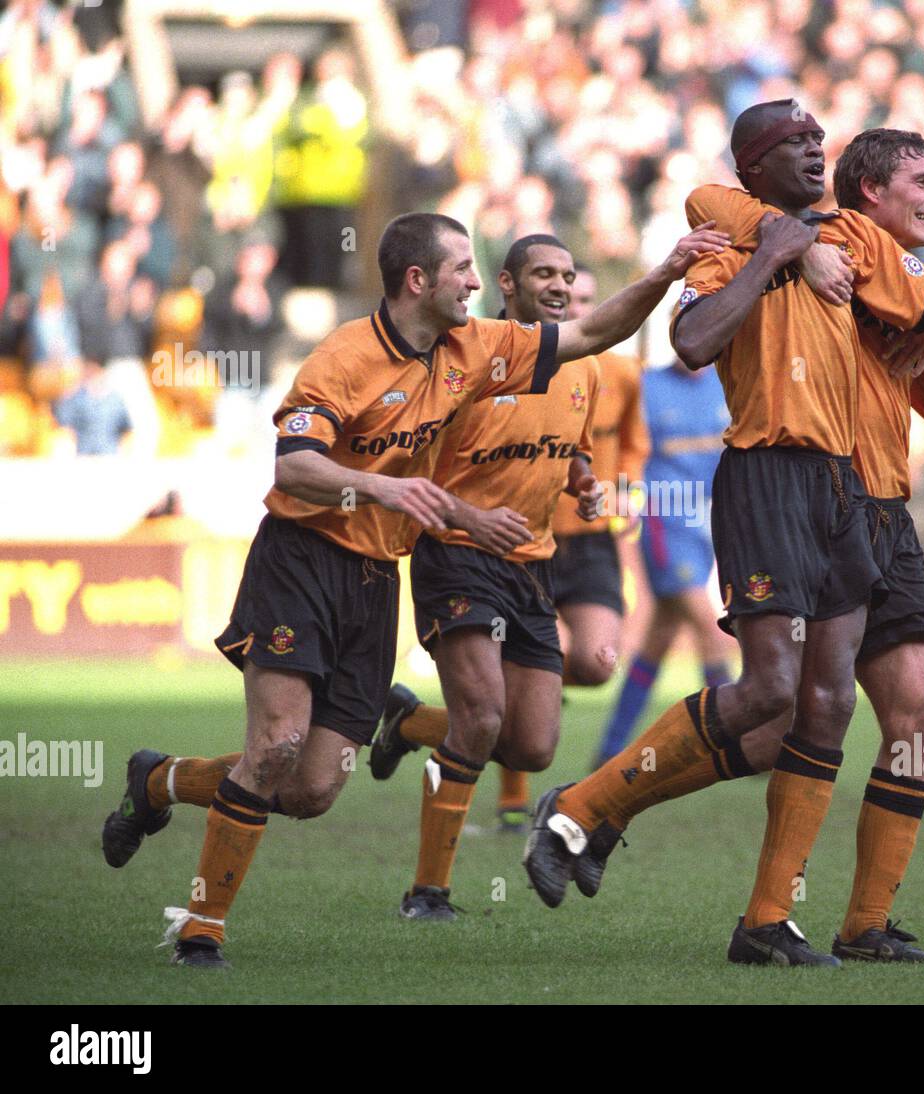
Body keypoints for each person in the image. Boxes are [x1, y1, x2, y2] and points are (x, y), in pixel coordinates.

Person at [98, 211, 727, 968]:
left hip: (376, 579)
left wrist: (664, 272)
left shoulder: (475, 348)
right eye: (463, 267)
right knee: (278, 744)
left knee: (311, 788)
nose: (474, 280)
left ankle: (160, 780)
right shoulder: (344, 357)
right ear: (418, 281)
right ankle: (201, 932)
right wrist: (386, 491)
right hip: (302, 558)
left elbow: (591, 338)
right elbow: (294, 466)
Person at [525, 101, 924, 968]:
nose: (812, 153)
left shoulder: (847, 242)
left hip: (843, 484)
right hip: (767, 479)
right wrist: (772, 254)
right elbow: (688, 341)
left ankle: (767, 923)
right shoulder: (731, 245)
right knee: (766, 694)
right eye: (794, 144)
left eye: (817, 142)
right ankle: (581, 805)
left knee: (824, 704)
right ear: (753, 166)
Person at [673, 128, 924, 962]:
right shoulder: (835, 250)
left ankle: (865, 924)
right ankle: (752, 907)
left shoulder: (900, 283)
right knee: (803, 708)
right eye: (921, 180)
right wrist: (811, 246)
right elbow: (714, 197)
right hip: (817, 503)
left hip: (890, 520)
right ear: (870, 196)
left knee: (915, 714)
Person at [363, 233, 603, 921]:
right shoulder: (466, 358)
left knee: (531, 743)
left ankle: (411, 724)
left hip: (531, 565)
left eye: (567, 274)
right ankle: (428, 891)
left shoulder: (582, 367)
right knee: (482, 716)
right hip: (455, 553)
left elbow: (570, 452)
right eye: (543, 274)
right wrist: (468, 517)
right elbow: (407, 463)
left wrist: (582, 485)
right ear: (507, 283)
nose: (558, 286)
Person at [490, 263, 651, 829]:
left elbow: (634, 443)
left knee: (599, 661)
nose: (575, 307)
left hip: (591, 543)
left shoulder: (621, 372)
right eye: (567, 298)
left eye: (587, 299)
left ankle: (441, 722)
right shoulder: (511, 366)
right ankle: (514, 794)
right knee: (540, 655)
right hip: (528, 539)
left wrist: (625, 487)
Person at [591, 356, 733, 767]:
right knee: (707, 623)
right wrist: (623, 495)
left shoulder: (726, 383)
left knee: (661, 634)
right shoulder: (646, 385)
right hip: (662, 515)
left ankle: (611, 748)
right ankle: (736, 738)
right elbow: (623, 447)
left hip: (707, 520)